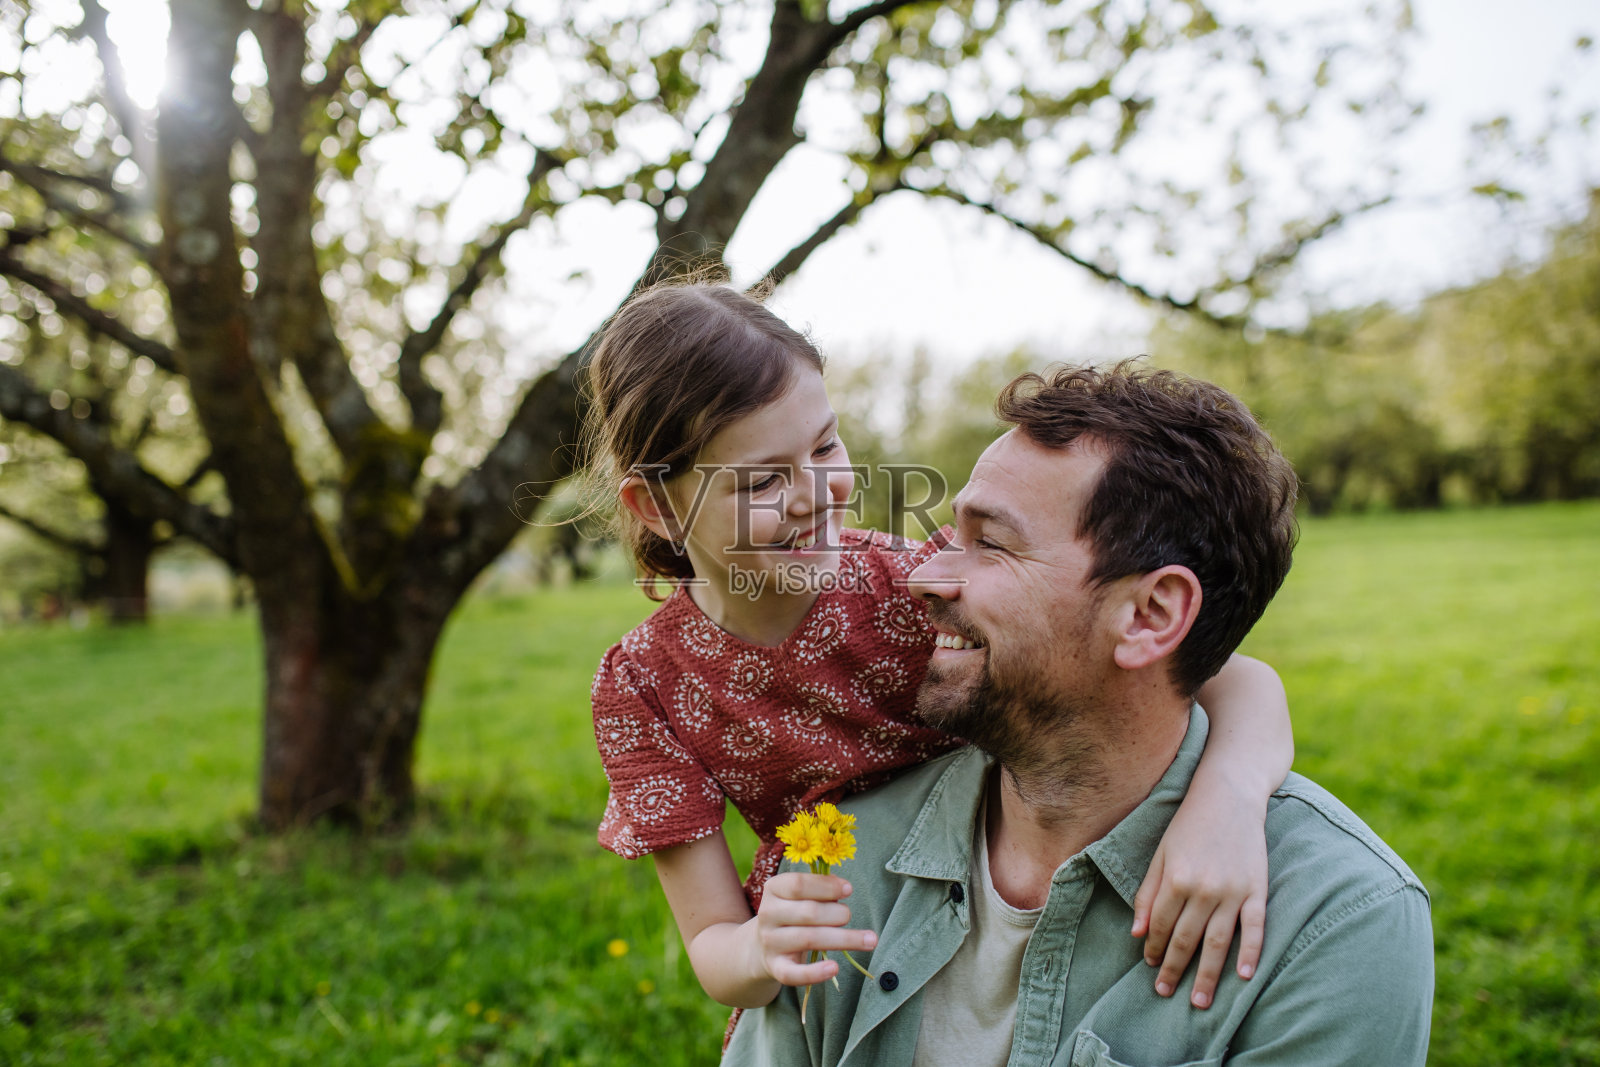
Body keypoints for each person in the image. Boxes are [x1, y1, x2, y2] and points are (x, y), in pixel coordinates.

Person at [583, 282, 1295, 1021]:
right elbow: (714, 946)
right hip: (839, 962)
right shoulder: (643, 685)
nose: (817, 492)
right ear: (659, 507)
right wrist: (760, 947)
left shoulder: (914, 583)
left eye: (826, 444)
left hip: (996, 892)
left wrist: (1231, 800)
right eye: (763, 479)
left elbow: (1238, 679)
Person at [723, 362, 1434, 1066]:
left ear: (1150, 614)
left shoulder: (1335, 924)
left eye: (991, 543)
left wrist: (1237, 790)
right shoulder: (841, 857)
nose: (924, 574)